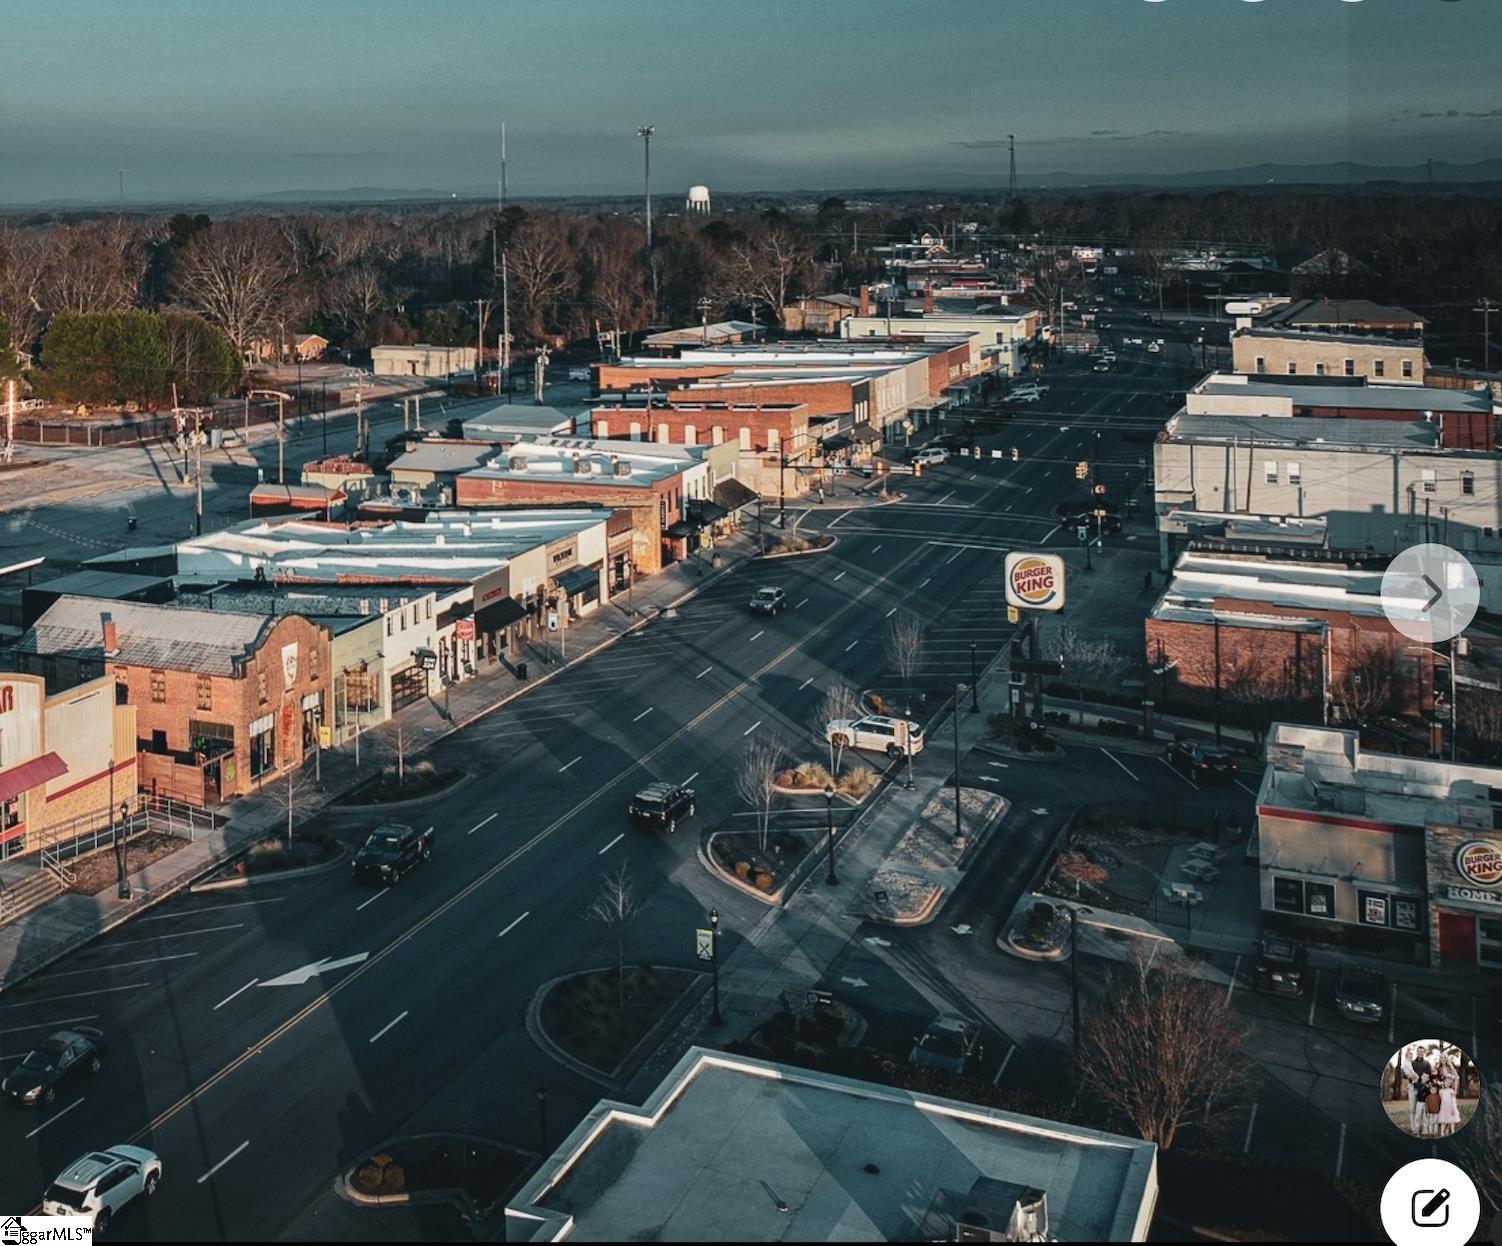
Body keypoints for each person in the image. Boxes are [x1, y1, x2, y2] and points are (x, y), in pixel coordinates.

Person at [1437, 1059, 1461, 1137]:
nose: (1443, 1060)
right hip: (1443, 1104)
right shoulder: (1438, 1069)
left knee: (1450, 1118)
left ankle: (1450, 1130)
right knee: (1444, 1118)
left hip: (1450, 1105)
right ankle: (1442, 1131)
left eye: (1444, 1058)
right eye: (1442, 1058)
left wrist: (1455, 1090)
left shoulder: (1450, 1068)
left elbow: (1456, 1077)